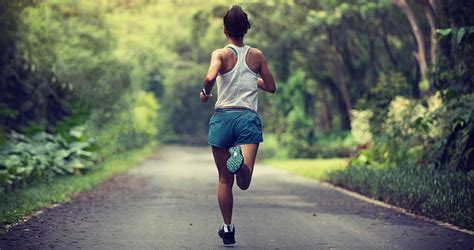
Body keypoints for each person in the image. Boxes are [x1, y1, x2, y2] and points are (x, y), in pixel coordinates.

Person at [199, 5, 276, 246]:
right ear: (247, 29)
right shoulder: (257, 56)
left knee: (224, 179)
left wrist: (205, 92)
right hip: (247, 119)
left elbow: (210, 77)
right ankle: (240, 163)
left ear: (225, 30)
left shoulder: (220, 54)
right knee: (244, 182)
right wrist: (254, 78)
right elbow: (271, 87)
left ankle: (228, 229)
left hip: (223, 118)